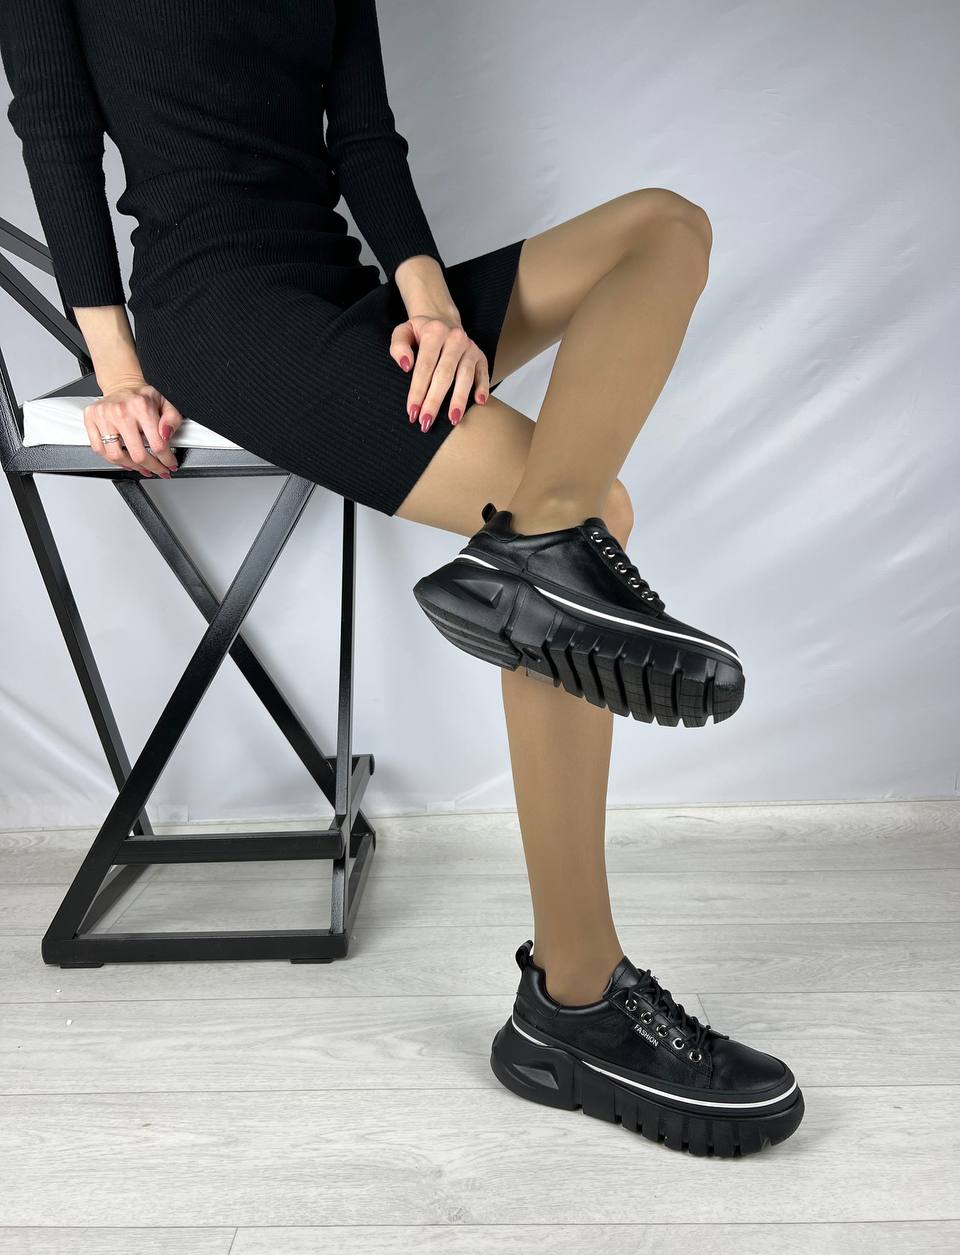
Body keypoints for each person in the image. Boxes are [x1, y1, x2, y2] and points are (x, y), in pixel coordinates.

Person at [0, 0, 802, 1155]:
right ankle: (575, 994)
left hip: (349, 297)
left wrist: (435, 314)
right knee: (591, 518)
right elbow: (55, 131)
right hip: (221, 315)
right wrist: (113, 366)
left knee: (664, 228)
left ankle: (537, 565)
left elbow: (365, 137)